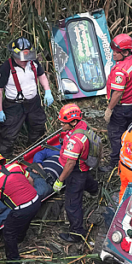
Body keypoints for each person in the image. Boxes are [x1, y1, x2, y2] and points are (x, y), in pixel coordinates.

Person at [0, 37, 55, 155]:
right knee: (8, 132)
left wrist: (47, 91)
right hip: (14, 105)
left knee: (38, 126)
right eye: (22, 58)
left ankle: (35, 151)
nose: (25, 61)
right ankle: (5, 158)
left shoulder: (33, 62)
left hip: (33, 103)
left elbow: (41, 75)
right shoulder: (6, 67)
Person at [0, 149, 41, 261]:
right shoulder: (15, 166)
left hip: (22, 209)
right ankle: (20, 238)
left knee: (8, 232)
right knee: (25, 220)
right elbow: (30, 180)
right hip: (36, 200)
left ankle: (13, 260)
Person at [0, 145, 63, 227]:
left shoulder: (73, 163)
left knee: (25, 202)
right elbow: (40, 153)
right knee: (10, 190)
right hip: (33, 172)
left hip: (46, 181)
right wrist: (38, 162)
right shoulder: (57, 149)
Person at [54, 104, 101, 244]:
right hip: (83, 167)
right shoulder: (83, 125)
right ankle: (95, 189)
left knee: (72, 204)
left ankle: (76, 233)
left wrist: (60, 180)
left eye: (63, 122)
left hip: (75, 172)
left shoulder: (75, 141)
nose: (61, 124)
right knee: (86, 179)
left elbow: (70, 164)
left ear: (73, 122)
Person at [102, 33, 132, 173]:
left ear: (125, 52)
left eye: (116, 52)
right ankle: (130, 155)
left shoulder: (121, 71)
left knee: (115, 136)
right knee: (129, 132)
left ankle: (115, 164)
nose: (113, 54)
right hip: (131, 104)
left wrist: (110, 109)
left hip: (121, 108)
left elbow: (117, 93)